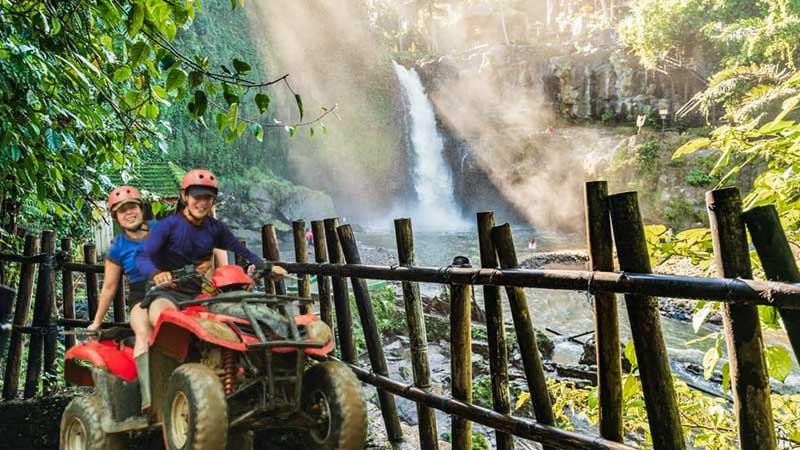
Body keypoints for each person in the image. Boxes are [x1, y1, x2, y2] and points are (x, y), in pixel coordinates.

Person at [136, 169, 287, 406]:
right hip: (168, 292)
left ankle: (245, 377)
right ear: (185, 196)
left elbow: (242, 252)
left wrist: (266, 268)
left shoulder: (215, 230)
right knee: (165, 319)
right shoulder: (167, 228)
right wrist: (157, 273)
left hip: (203, 296)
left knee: (238, 322)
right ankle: (160, 391)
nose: (202, 202)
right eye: (197, 196)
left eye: (207, 197)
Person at [87, 186, 170, 414]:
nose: (129, 213)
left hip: (171, 288)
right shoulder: (117, 247)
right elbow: (109, 287)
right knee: (143, 331)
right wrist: (96, 322)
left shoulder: (160, 229)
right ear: (116, 216)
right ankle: (150, 399)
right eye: (122, 210)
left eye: (132, 207)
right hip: (140, 296)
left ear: (141, 208)